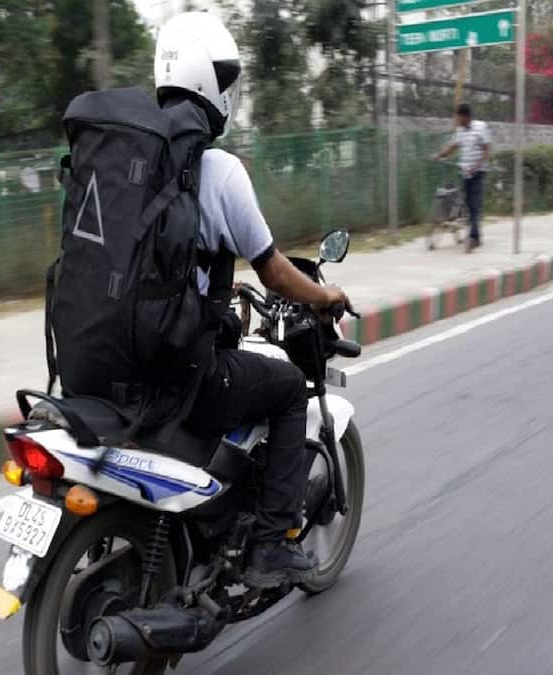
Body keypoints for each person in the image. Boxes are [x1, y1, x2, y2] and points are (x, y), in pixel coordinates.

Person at [154, 12, 353, 587]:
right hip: (184, 375)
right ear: (210, 84)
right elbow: (274, 271)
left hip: (114, 368)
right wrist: (324, 295)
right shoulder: (217, 170)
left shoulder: (128, 163)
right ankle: (270, 545)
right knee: (287, 389)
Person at [435, 103, 491, 252]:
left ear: (466, 117)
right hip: (465, 172)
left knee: (473, 204)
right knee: (467, 203)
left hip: (478, 172)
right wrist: (440, 155)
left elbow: (486, 150)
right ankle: (476, 235)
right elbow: (453, 146)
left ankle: (473, 238)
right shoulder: (460, 131)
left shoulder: (481, 127)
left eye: (458, 117)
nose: (457, 119)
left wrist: (477, 166)